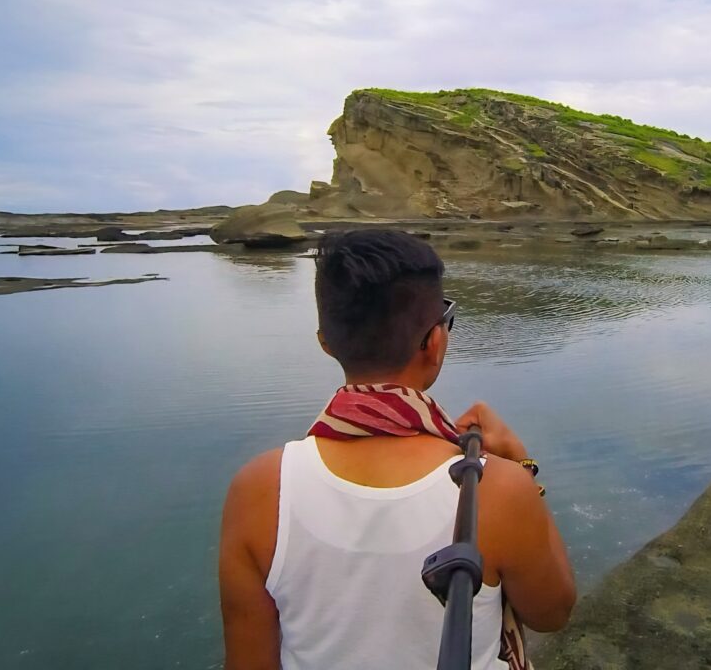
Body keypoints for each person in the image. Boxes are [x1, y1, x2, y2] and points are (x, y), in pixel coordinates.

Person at [219, 230, 576, 670]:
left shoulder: (258, 489)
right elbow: (552, 612)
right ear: (434, 341)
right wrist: (523, 467)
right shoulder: (495, 488)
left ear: (325, 342)